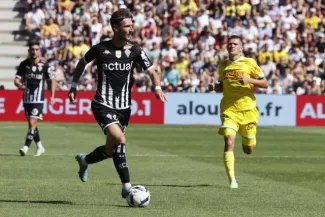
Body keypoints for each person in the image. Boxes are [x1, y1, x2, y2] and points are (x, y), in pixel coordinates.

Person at [68, 9, 167, 199]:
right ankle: (127, 187)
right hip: (102, 104)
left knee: (110, 150)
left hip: (124, 109)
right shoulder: (100, 49)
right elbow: (81, 64)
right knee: (121, 140)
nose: (131, 29)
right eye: (127, 26)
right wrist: (74, 86)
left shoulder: (135, 50)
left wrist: (157, 88)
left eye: (132, 25)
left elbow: (153, 71)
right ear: (115, 28)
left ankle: (85, 161)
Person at [209, 35, 268, 189]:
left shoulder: (249, 63)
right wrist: (215, 88)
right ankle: (232, 181)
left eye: (235, 44)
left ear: (241, 48)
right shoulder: (223, 65)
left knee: (248, 149)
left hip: (248, 110)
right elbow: (221, 86)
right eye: (229, 44)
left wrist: (250, 81)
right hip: (229, 109)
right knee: (228, 141)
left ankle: (249, 139)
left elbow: (265, 83)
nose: (232, 46)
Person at [14, 40, 56, 156]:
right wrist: (19, 84)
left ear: (39, 51)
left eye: (37, 49)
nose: (34, 51)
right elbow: (16, 80)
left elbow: (52, 80)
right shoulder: (24, 64)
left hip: (38, 99)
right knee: (32, 125)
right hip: (27, 98)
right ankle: (40, 146)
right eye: (32, 49)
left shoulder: (44, 65)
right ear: (29, 51)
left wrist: (52, 96)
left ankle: (26, 147)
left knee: (32, 123)